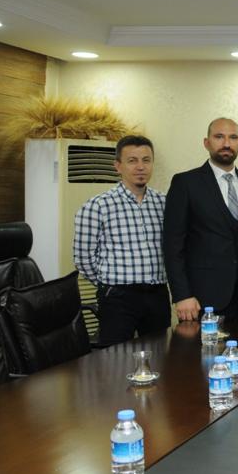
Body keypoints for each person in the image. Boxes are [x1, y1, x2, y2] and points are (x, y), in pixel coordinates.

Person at [73, 135, 169, 345]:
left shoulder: (164, 203)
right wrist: (108, 284)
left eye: (146, 160)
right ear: (118, 166)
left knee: (161, 354)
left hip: (157, 294)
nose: (140, 167)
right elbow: (83, 258)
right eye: (132, 161)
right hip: (118, 297)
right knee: (116, 358)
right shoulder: (97, 206)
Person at [163, 118, 238, 323]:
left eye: (233, 138)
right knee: (199, 346)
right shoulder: (185, 183)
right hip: (200, 300)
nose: (226, 143)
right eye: (219, 137)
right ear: (206, 143)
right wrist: (182, 295)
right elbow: (173, 245)